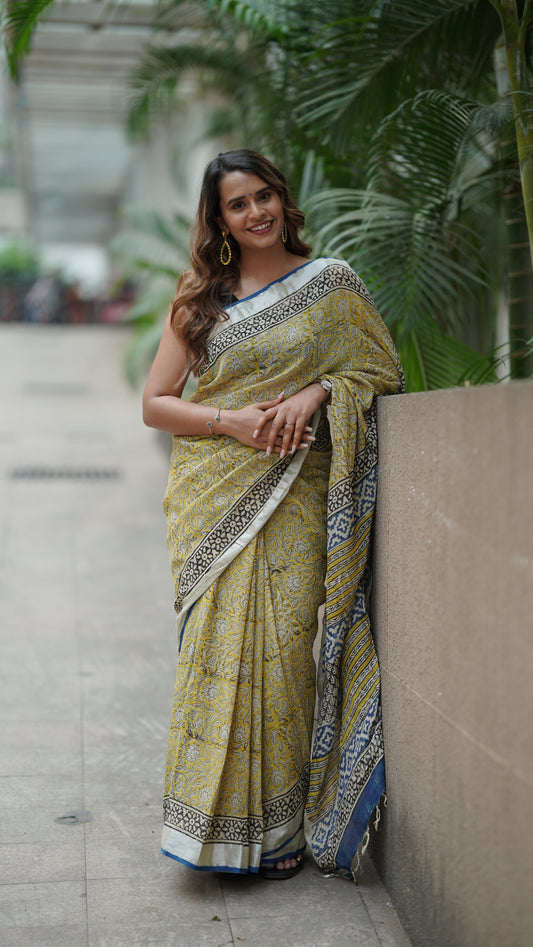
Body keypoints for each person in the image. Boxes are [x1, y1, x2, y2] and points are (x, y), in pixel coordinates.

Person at [143, 149, 403, 880]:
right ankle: (208, 831)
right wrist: (229, 422)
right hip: (213, 494)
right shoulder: (199, 300)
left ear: (283, 200)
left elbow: (380, 368)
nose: (255, 211)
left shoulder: (331, 284)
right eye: (237, 203)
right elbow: (155, 404)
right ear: (218, 219)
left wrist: (316, 392)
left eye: (264, 196)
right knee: (214, 657)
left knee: (286, 653)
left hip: (298, 492)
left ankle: (279, 830)